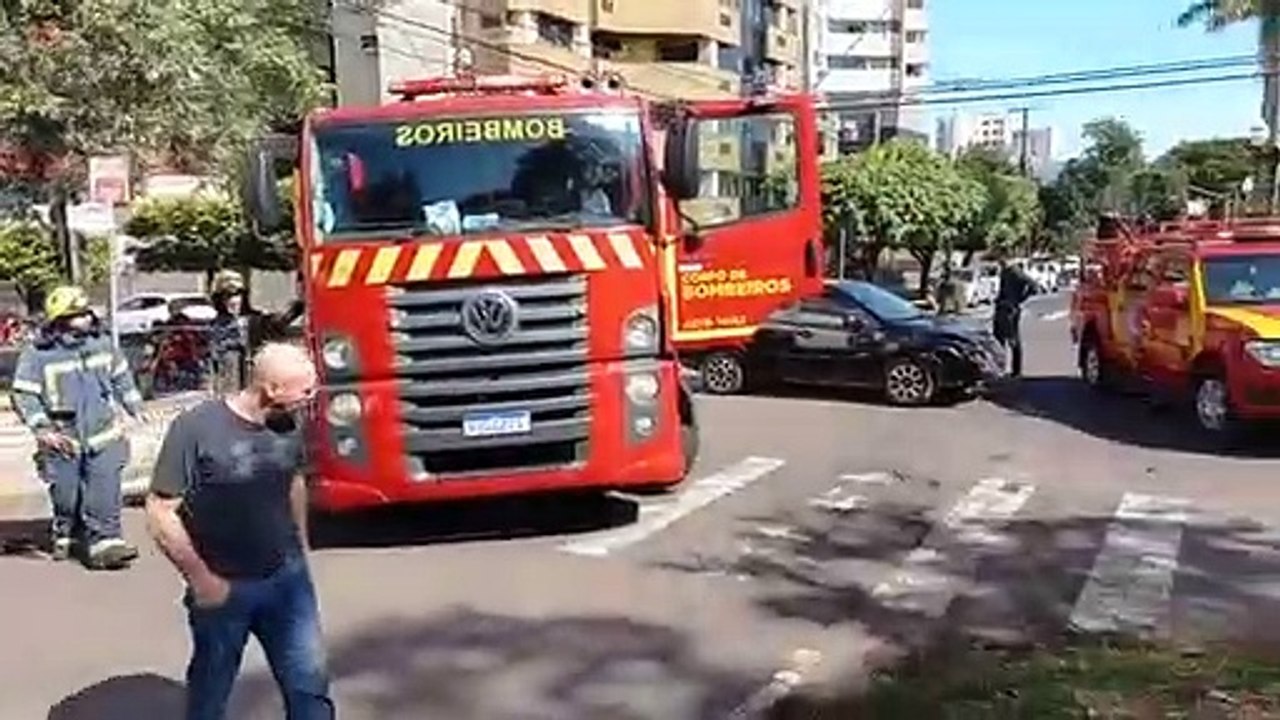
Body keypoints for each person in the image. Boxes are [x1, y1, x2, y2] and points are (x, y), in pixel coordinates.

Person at [145, 342, 332, 720]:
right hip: (223, 586)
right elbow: (161, 511)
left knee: (309, 686)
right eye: (305, 389)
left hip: (287, 580)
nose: (312, 397)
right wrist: (202, 580)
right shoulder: (196, 428)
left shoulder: (288, 422)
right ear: (271, 389)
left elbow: (294, 480)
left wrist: (300, 544)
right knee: (211, 691)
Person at [9, 285, 146, 569]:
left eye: (86, 313)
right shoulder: (38, 355)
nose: (85, 318)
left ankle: (106, 544)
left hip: (104, 434)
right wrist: (42, 429)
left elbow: (121, 378)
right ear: (59, 320)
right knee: (67, 496)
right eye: (76, 314)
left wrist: (135, 406)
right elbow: (24, 395)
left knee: (104, 490)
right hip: (62, 439)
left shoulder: (103, 345)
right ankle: (67, 532)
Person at [207, 270, 305, 394]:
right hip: (227, 390)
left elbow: (278, 322)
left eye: (238, 295)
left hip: (252, 389)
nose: (233, 301)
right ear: (219, 300)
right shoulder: (214, 327)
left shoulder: (253, 321)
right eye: (227, 296)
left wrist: (298, 306)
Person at [992, 254, 1035, 378]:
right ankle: (1000, 368)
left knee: (1013, 339)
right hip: (1001, 308)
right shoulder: (1005, 272)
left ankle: (1016, 370)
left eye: (1002, 259)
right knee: (998, 339)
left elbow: (1033, 285)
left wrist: (1018, 299)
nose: (1000, 261)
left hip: (1010, 310)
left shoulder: (1015, 272)